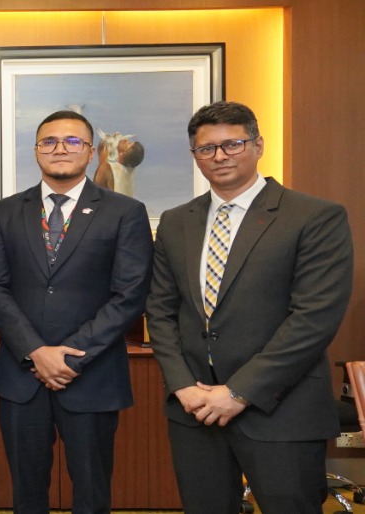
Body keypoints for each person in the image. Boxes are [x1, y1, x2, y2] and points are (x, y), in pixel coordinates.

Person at [148, 101, 353, 514]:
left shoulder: (314, 216)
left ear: (258, 146)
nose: (219, 156)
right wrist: (183, 385)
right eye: (207, 148)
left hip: (281, 408)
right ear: (195, 155)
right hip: (195, 410)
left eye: (233, 144)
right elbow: (161, 311)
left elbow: (313, 319)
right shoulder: (176, 221)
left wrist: (238, 392)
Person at [0, 111, 153, 514]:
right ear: (36, 151)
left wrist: (70, 356)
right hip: (22, 376)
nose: (60, 149)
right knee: (26, 493)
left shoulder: (124, 211)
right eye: (49, 141)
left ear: (91, 151)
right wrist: (35, 352)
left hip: (92, 375)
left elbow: (130, 294)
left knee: (92, 493)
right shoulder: (5, 211)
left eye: (72, 141)